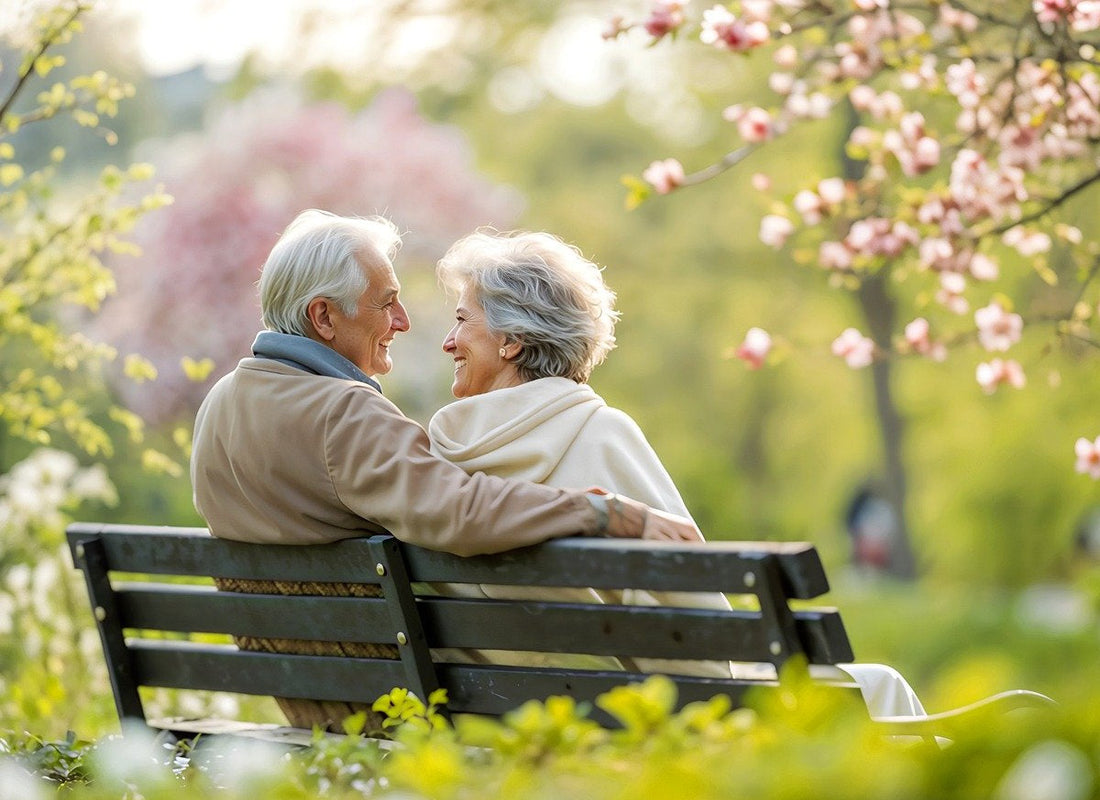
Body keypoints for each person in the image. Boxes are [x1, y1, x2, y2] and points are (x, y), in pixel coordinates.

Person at [189, 209, 702, 731]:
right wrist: (603, 510)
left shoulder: (219, 405)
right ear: (324, 317)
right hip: (390, 713)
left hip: (305, 694)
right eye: (387, 304)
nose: (404, 322)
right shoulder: (343, 413)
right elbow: (459, 511)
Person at [428, 229, 927, 717]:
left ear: (512, 340)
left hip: (511, 717)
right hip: (649, 715)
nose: (448, 342)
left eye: (460, 321)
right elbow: (701, 617)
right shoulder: (600, 434)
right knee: (882, 688)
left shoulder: (437, 460)